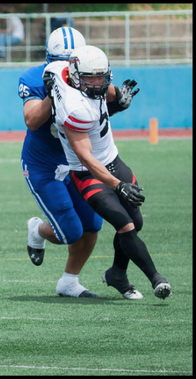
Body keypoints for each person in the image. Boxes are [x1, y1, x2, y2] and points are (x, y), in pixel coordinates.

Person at [44, 45, 171, 301]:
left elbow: (55, 71)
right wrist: (117, 184)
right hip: (88, 172)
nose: (97, 83)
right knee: (125, 225)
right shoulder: (76, 107)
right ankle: (157, 279)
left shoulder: (60, 70)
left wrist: (118, 97)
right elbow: (85, 157)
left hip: (113, 159)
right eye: (90, 77)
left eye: (101, 76)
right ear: (78, 75)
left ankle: (116, 274)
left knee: (138, 222)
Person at [18, 27, 104, 298]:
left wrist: (118, 99)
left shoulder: (88, 74)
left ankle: (69, 281)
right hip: (44, 162)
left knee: (92, 225)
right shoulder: (34, 78)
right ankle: (37, 229)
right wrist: (52, 94)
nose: (65, 67)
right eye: (59, 61)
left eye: (71, 61)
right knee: (69, 231)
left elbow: (104, 101)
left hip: (78, 158)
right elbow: (31, 121)